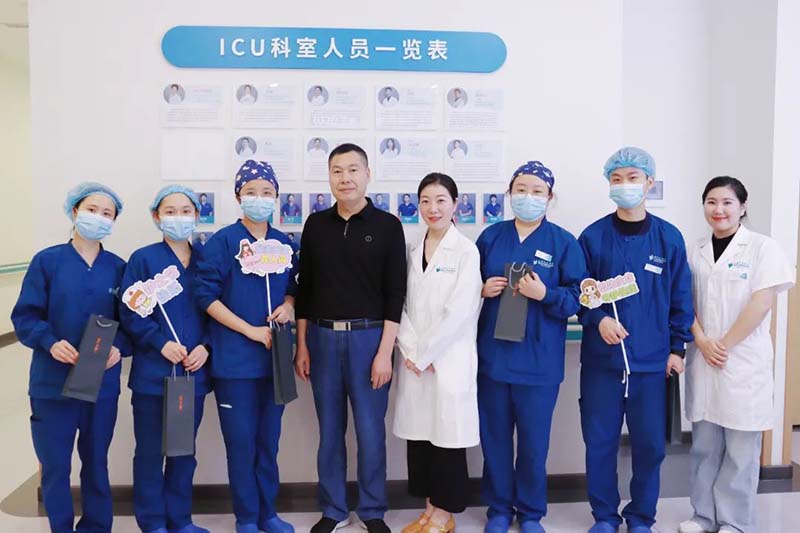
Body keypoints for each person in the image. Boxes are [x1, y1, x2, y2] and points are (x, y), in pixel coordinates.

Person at [578, 147, 694, 533]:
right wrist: (598, 320)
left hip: (651, 363)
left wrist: (677, 349)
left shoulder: (668, 238)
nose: (624, 185)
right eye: (617, 179)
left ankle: (642, 517)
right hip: (602, 363)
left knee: (650, 447)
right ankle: (605, 517)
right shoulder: (592, 237)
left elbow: (680, 297)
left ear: (649, 182)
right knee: (599, 444)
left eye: (632, 178)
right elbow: (580, 293)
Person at [294, 143, 406, 533]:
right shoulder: (315, 225)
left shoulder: (388, 225)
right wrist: (302, 344)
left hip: (369, 339)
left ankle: (372, 510)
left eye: (353, 170)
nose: (345, 178)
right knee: (330, 430)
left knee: (371, 431)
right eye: (337, 171)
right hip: (322, 338)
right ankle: (334, 508)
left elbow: (396, 293)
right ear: (329, 177)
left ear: (368, 174)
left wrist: (384, 352)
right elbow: (305, 289)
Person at [11, 182, 129, 533]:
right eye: (92, 210)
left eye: (107, 213)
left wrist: (120, 346)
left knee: (96, 462)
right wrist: (50, 342)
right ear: (75, 211)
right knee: (55, 466)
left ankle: (96, 526)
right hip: (52, 384)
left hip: (101, 384)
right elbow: (25, 317)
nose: (99, 217)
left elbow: (133, 322)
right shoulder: (47, 262)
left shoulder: (119, 268)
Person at [678, 177, 794, 533]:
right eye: (711, 202)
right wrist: (702, 340)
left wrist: (723, 344)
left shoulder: (762, 248)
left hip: (741, 361)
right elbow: (683, 300)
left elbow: (762, 302)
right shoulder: (694, 250)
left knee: (741, 451)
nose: (719, 210)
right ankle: (702, 516)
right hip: (704, 356)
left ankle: (735, 522)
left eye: (727, 202)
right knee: (704, 447)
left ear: (743, 207)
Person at [476, 161, 587, 533]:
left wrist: (545, 294)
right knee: (494, 440)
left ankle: (530, 513)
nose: (528, 196)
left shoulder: (563, 243)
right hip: (494, 360)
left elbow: (577, 298)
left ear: (550, 197)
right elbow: (462, 289)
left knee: (534, 444)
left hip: (539, 362)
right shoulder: (490, 238)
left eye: (537, 191)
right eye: (521, 189)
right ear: (510, 194)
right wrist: (480, 290)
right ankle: (498, 509)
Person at [195, 160, 298, 533]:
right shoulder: (222, 243)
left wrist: (288, 306)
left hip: (275, 362)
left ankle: (268, 513)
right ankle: (247, 517)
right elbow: (205, 296)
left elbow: (295, 287)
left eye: (267, 192)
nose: (260, 198)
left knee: (268, 442)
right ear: (238, 196)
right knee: (241, 445)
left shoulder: (285, 243)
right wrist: (250, 331)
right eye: (251, 192)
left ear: (276, 197)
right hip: (235, 362)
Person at [120, 185, 212, 533]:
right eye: (170, 212)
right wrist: (159, 343)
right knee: (149, 453)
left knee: (183, 452)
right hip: (152, 375)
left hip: (191, 375)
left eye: (186, 211)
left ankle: (180, 519)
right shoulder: (143, 259)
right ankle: (153, 522)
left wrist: (206, 347)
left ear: (197, 216)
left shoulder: (206, 260)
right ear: (156, 216)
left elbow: (218, 309)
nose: (178, 218)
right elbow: (130, 312)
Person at [394, 173, 482, 533]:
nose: (433, 208)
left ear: (455, 204)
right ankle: (429, 510)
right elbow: (401, 305)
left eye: (441, 200)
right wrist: (411, 350)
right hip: (415, 360)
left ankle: (445, 516)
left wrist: (425, 354)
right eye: (426, 201)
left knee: (447, 439)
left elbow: (460, 311)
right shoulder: (413, 250)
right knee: (421, 439)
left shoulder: (466, 251)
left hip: (448, 360)